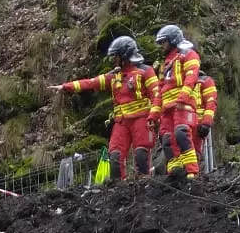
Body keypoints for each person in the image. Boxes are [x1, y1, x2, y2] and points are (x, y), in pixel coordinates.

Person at [51, 37, 160, 182]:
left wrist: (154, 115)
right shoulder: (114, 76)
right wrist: (66, 87)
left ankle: (144, 183)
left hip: (142, 119)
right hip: (121, 122)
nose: (113, 60)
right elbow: (91, 83)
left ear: (125, 56)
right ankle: (119, 188)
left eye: (116, 56)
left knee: (141, 154)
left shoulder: (145, 71)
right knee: (115, 156)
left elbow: (157, 95)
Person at [153, 24, 201, 181]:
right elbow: (159, 91)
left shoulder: (189, 55)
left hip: (183, 105)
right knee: (166, 139)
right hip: (167, 108)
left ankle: (192, 171)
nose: (161, 46)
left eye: (163, 42)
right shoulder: (165, 64)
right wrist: (153, 114)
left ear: (172, 40)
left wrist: (182, 98)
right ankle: (175, 171)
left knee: (181, 133)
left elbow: (191, 78)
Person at [193, 69, 219, 175]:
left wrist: (206, 122)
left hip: (198, 123)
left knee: (194, 153)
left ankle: (195, 177)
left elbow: (211, 102)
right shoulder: (179, 81)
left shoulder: (205, 81)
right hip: (182, 122)